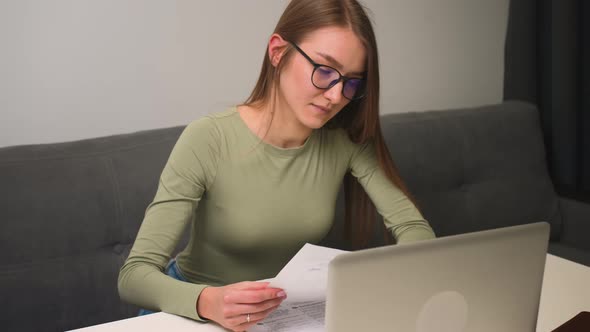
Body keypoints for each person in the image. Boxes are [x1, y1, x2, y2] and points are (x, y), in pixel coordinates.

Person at [118, 0, 436, 331]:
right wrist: (208, 301)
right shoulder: (209, 138)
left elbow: (416, 231)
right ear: (278, 52)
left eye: (351, 82)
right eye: (325, 71)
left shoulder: (345, 140)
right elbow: (134, 277)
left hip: (280, 317)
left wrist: (381, 282)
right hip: (195, 314)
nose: (336, 95)